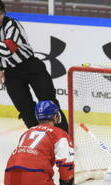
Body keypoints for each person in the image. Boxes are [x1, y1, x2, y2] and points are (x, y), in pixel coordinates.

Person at [0, 0, 68, 132]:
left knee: (49, 102)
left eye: (0, 14)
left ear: (3, 13)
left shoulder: (12, 24)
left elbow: (8, 50)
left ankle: (64, 137)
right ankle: (39, 139)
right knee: (24, 108)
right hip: (11, 74)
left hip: (31, 67)